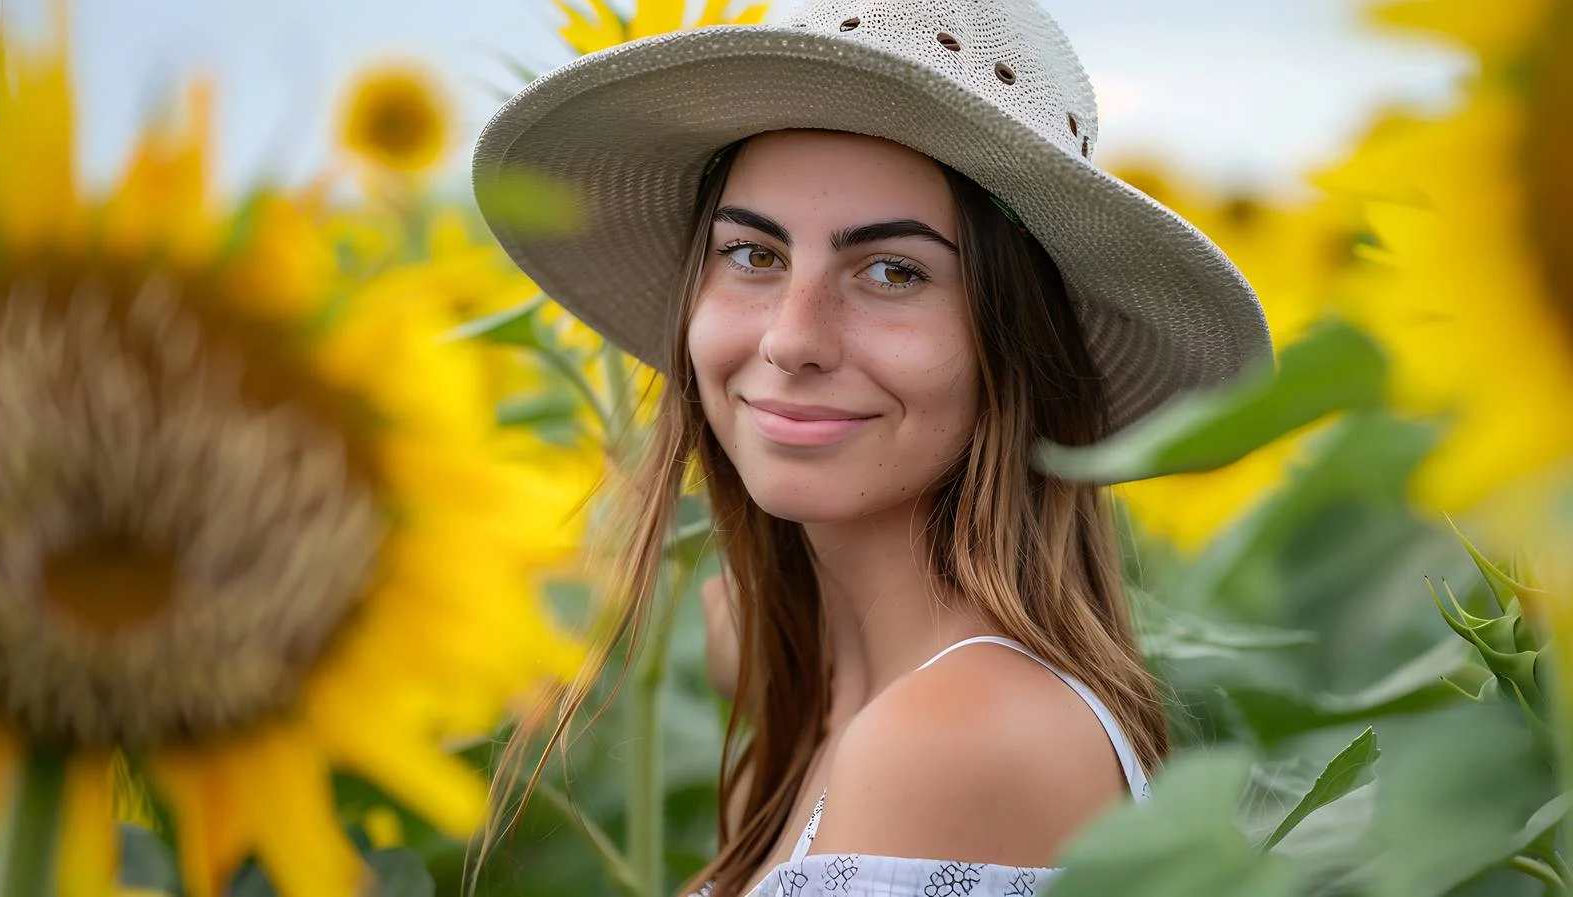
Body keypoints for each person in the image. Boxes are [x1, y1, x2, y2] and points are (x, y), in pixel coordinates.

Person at [472, 0, 1272, 893]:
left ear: (1018, 348)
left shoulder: (943, 743)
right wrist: (791, 675)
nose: (790, 339)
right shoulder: (843, 717)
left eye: (894, 271)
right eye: (752, 254)